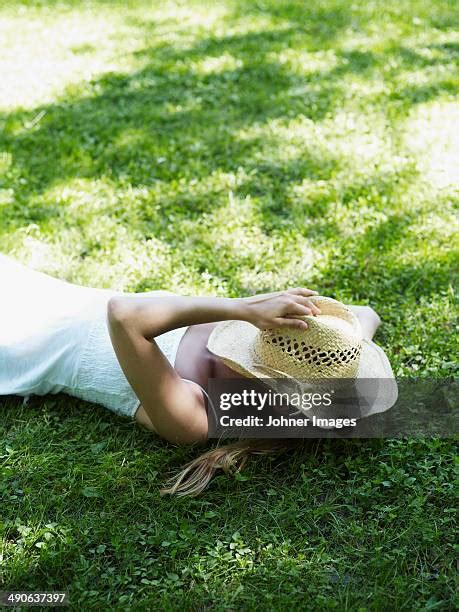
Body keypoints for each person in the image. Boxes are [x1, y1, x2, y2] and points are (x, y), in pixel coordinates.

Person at [0, 252, 393, 496]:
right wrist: (342, 347)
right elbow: (365, 315)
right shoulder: (268, 348)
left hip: (19, 341)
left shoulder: (193, 416)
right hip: (51, 294)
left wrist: (242, 308)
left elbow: (124, 315)